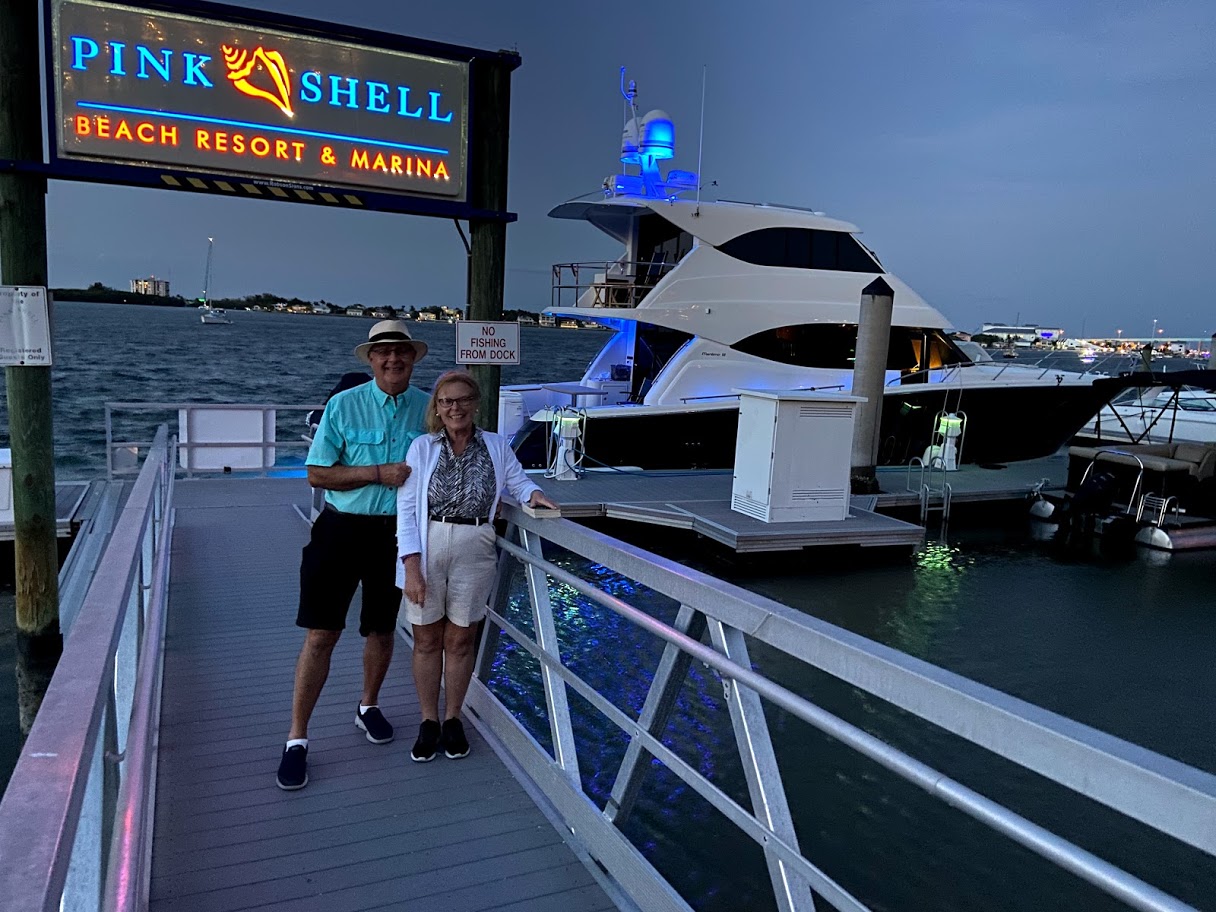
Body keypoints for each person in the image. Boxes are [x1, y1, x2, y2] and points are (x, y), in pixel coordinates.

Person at [276, 320, 430, 791]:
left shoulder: (429, 408)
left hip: (397, 536)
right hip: (341, 531)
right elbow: (317, 474)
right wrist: (376, 473)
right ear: (371, 359)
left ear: (413, 358)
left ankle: (368, 705)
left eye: (401, 351)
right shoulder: (342, 405)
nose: (392, 359)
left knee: (382, 629)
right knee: (321, 634)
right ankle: (297, 739)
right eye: (383, 352)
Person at [396, 370, 558, 762]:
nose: (455, 408)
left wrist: (534, 494)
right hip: (429, 542)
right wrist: (411, 567)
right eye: (446, 401)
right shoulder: (422, 447)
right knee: (426, 639)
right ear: (437, 408)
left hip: (476, 545)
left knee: (461, 639)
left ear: (475, 403)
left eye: (463, 399)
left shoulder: (497, 445)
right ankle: (428, 720)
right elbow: (406, 508)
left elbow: (518, 482)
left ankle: (453, 718)